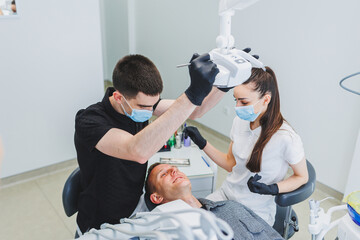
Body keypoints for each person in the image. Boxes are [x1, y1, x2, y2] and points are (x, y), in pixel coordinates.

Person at [74, 53, 225, 233]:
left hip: (134, 206)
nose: (150, 110)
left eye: (153, 105)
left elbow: (194, 112)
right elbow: (136, 151)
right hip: (100, 219)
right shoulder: (89, 121)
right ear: (119, 97)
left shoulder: (140, 105)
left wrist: (224, 84)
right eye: (144, 107)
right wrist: (192, 93)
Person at [183, 67, 308, 226]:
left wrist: (272, 189)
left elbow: (302, 177)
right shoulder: (240, 122)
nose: (238, 106)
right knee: (190, 225)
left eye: (244, 101)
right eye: (235, 100)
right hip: (226, 196)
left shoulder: (286, 138)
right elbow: (230, 163)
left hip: (255, 211)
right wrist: (203, 143)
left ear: (266, 99)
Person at [145, 163, 284, 240]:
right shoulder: (168, 232)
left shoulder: (231, 207)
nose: (174, 171)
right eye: (164, 174)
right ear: (157, 197)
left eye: (175, 169)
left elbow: (272, 236)